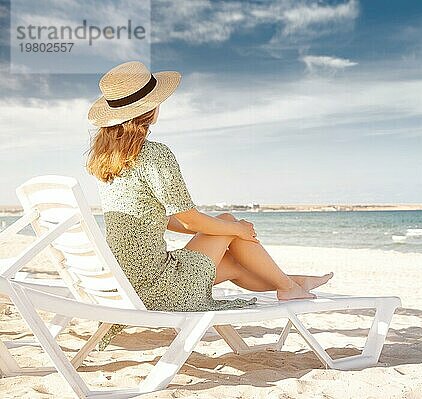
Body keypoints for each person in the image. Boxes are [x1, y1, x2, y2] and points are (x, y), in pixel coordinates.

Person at [86, 61, 333, 349]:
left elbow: (156, 217)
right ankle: (289, 287)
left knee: (232, 264)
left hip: (125, 281)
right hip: (156, 289)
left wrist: (216, 232)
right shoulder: (153, 154)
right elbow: (190, 221)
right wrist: (233, 229)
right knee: (228, 220)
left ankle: (291, 283)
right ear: (151, 110)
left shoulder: (107, 163)